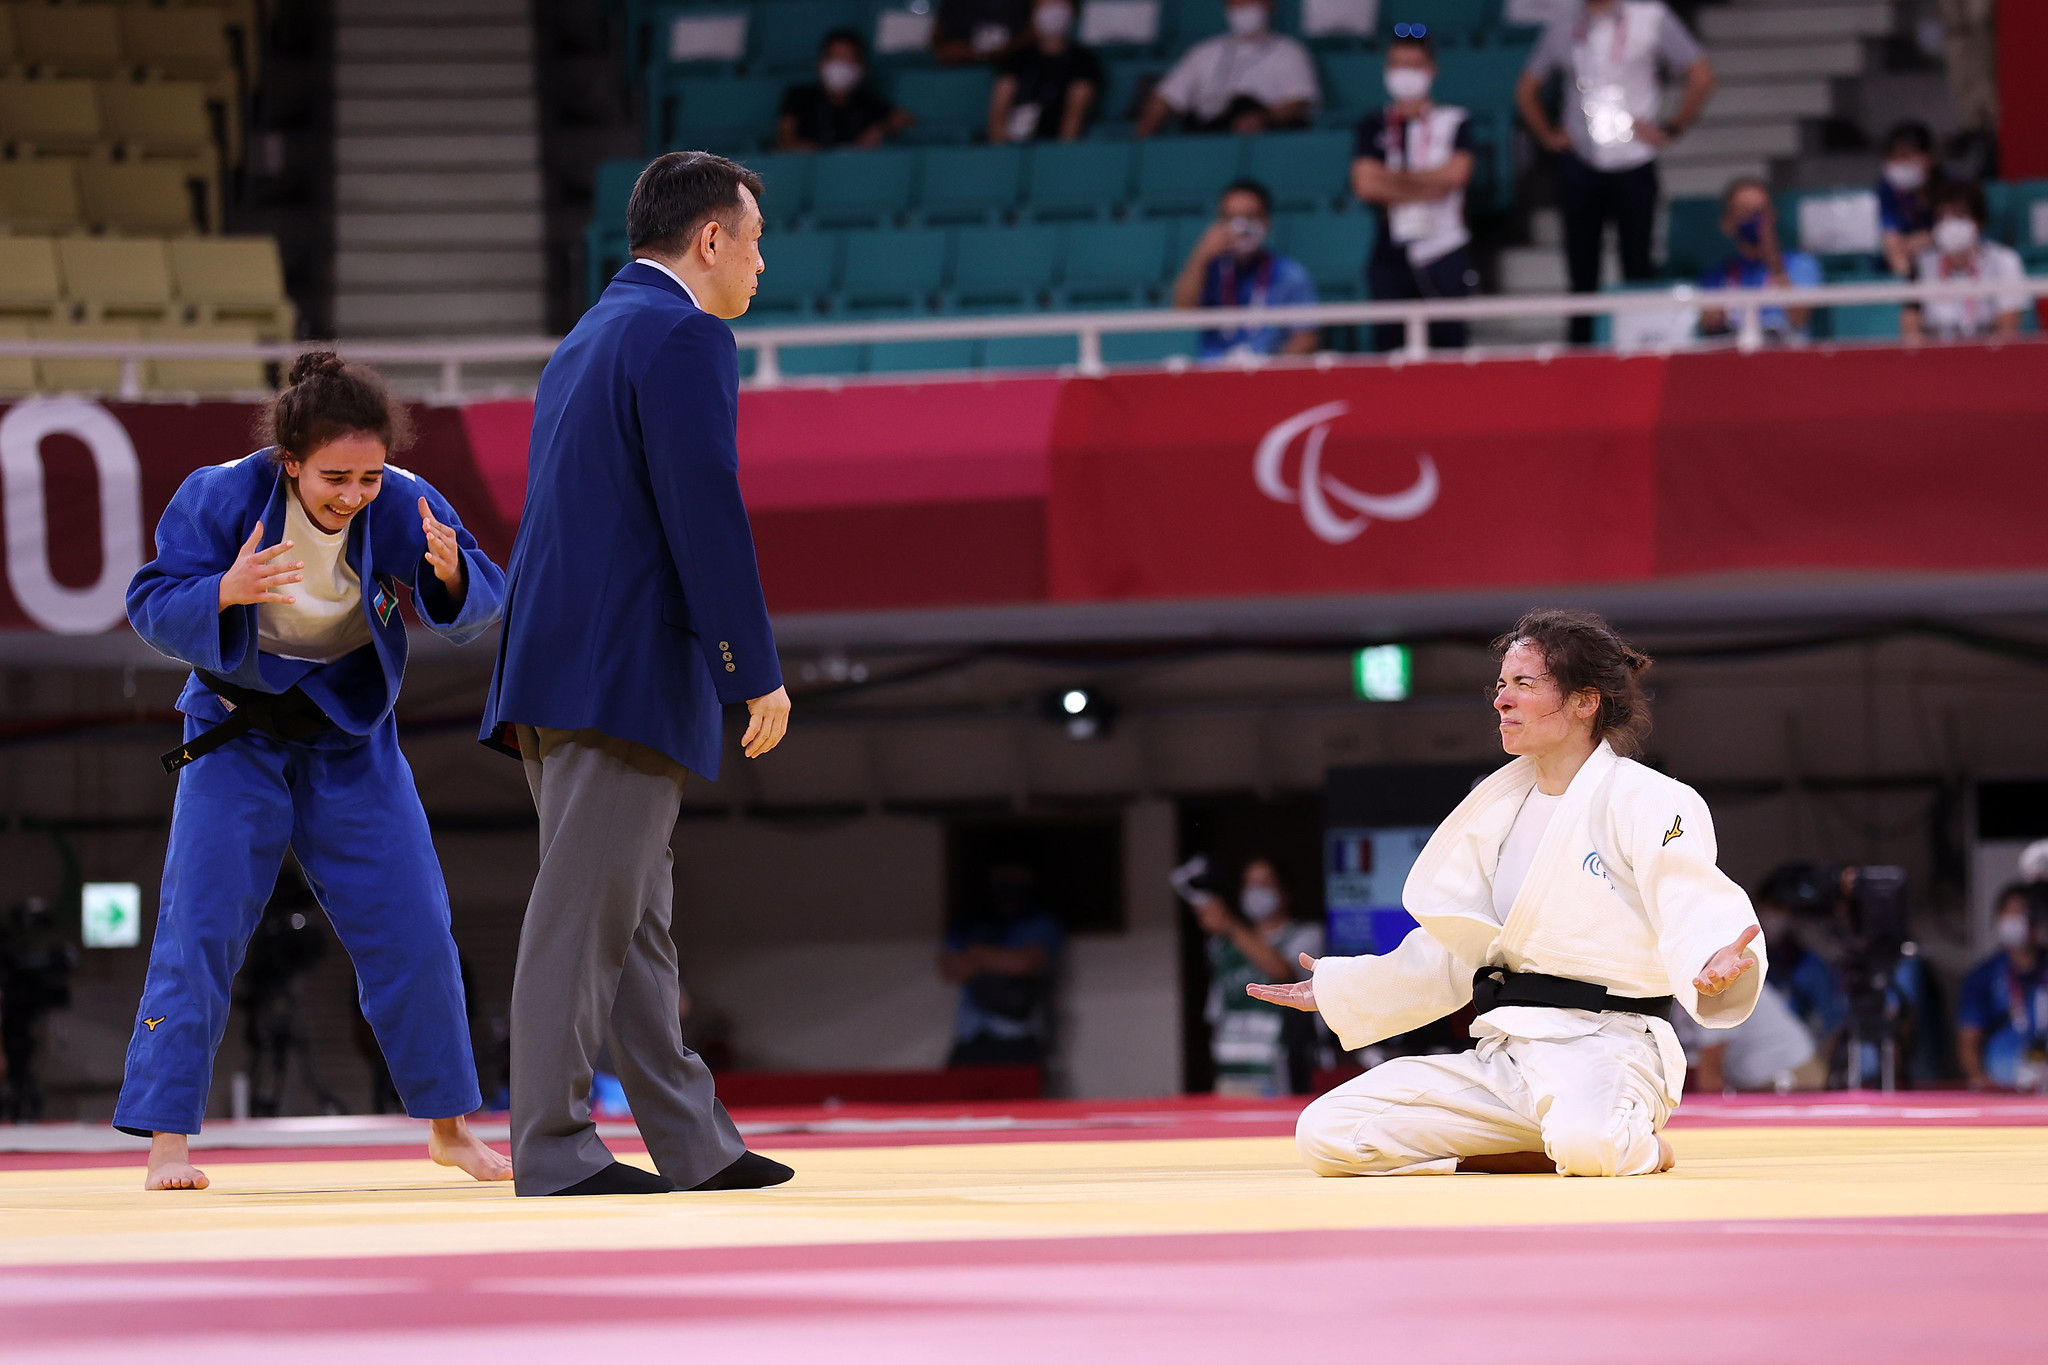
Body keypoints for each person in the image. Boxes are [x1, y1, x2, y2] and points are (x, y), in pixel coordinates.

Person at [115, 353, 511, 1191]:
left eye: (367, 476)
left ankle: (449, 1127)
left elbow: (485, 588)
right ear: (289, 460)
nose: (353, 494)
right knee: (201, 927)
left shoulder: (401, 497)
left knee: (413, 924)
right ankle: (166, 1142)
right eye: (335, 477)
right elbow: (150, 599)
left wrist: (450, 578)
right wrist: (222, 589)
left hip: (350, 736)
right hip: (236, 734)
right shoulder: (219, 494)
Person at [479, 151, 794, 1198]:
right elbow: (702, 506)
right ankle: (555, 1146)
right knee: (584, 914)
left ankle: (691, 1141)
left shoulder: (592, 334)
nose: (761, 265)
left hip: (560, 660)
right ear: (709, 241)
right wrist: (749, 667)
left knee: (630, 918)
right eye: (752, 243)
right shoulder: (681, 333)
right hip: (615, 667)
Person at [1252, 608, 1767, 1177]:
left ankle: (1633, 1144)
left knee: (1589, 1143)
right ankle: (1533, 1146)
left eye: (1524, 684)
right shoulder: (1499, 810)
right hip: (1508, 1053)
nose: (1501, 700)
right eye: (1501, 684)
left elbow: (1690, 897)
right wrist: (1343, 988)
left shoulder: (1648, 799)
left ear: (1583, 702)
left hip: (1609, 1048)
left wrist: (1715, 954)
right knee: (1330, 1131)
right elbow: (1460, 948)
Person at [1516, 0, 1715, 344]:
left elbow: (1701, 73)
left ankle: (1640, 347)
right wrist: (1548, 135)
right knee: (1581, 269)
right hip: (1581, 159)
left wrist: (1673, 126)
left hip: (1633, 158)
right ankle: (1580, 352)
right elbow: (1527, 87)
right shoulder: (1564, 22)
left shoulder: (1650, 16)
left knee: (1637, 263)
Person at [1351, 30, 1476, 352]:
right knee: (1389, 350)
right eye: (1397, 65)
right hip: (1390, 249)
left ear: (1431, 69)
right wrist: (1428, 183)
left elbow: (1456, 177)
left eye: (1414, 65)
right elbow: (1365, 184)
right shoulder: (1373, 124)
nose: (1404, 73)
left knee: (1449, 349)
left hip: (1443, 246)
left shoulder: (1454, 121)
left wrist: (1392, 181)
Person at [1173, 857, 1324, 1096]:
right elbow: (1217, 1008)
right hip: (1232, 1063)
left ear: (1284, 892)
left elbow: (1283, 972)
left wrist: (1230, 924)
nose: (1255, 892)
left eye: (1264, 884)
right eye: (1249, 884)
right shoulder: (1221, 945)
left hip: (1281, 1063)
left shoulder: (1307, 935)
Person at [1172, 179, 1319, 359]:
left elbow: (1306, 337)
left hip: (1267, 374)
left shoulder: (1291, 274)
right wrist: (1200, 255)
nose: (1241, 228)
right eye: (1231, 218)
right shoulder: (1209, 270)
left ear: (1267, 222)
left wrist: (1271, 370)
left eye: (1250, 217)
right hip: (1214, 374)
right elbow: (1183, 309)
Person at [939, 865, 1064, 1069]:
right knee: (954, 1098)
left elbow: (1024, 964)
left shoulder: (1039, 922)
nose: (1009, 884)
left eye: (1015, 877)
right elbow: (951, 969)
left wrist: (978, 954)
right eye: (1003, 877)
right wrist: (998, 959)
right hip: (971, 1035)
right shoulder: (971, 922)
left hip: (1018, 1034)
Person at [1136, 0, 1319, 136]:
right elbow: (1164, 97)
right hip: (1209, 134)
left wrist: (1263, 119)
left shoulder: (1290, 51)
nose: (1243, 7)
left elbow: (1300, 101)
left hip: (1265, 137)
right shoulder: (1204, 51)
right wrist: (1148, 126)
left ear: (1270, 4)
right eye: (1236, 3)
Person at [1697, 178, 1822, 343]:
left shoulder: (1801, 265)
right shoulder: (1716, 276)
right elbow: (1708, 325)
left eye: (1759, 211)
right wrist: (1711, 317)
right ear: (1727, 222)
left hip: (1786, 359)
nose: (1752, 218)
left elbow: (1798, 318)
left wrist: (1773, 260)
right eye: (1743, 210)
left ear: (1772, 216)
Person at [1902, 179, 2029, 343]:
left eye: (1959, 216)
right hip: (1935, 356)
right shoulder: (1922, 263)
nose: (1950, 224)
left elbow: (2008, 329)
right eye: (1942, 217)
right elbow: (1910, 329)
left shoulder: (2005, 260)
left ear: (1978, 221)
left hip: (1988, 355)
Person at [1956, 885, 2047, 1091]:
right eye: (2009, 913)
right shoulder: (1983, 976)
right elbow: (1968, 1040)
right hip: (2002, 1078)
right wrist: (1983, 1083)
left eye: (2021, 912)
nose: (2014, 920)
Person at [776, 30, 913, 151]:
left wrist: (881, 128)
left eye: (849, 60)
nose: (841, 67)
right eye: (836, 58)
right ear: (820, 63)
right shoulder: (799, 96)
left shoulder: (868, 101)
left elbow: (903, 119)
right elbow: (784, 139)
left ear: (861, 69)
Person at [987, 0, 1102, 144]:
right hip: (1012, 146)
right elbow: (998, 114)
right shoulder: (1015, 59)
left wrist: (1057, 157)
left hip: (1055, 148)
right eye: (1046, 6)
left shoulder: (1084, 62)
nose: (1052, 12)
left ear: (1073, 11)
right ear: (1033, 11)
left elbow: (1073, 120)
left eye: (1059, 6)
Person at [1877, 121, 1938, 279]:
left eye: (1906, 156)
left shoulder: (1952, 187)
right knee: (1895, 255)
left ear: (1929, 157)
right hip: (1907, 257)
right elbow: (1890, 236)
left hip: (1945, 259)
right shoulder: (1887, 190)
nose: (1901, 165)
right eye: (1894, 158)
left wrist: (1931, 238)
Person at [934, 0, 1032, 63]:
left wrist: (1008, 48)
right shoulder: (955, 4)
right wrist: (967, 52)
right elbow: (938, 40)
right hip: (964, 73)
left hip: (1016, 69)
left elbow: (1036, 31)